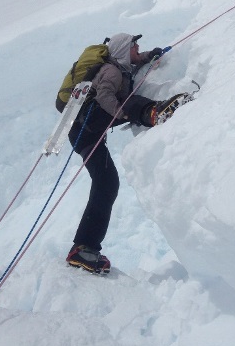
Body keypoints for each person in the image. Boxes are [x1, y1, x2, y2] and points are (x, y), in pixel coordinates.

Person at [65, 32, 178, 274]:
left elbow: (136, 61)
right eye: (135, 46)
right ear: (123, 50)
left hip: (86, 133)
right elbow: (105, 95)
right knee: (130, 101)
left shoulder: (121, 67)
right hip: (88, 127)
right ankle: (153, 112)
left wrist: (150, 55)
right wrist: (125, 113)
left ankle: (84, 249)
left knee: (107, 184)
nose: (138, 49)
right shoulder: (112, 71)